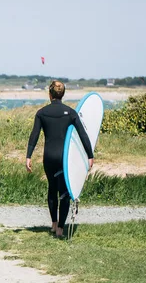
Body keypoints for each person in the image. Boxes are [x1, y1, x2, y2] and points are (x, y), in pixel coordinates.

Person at [26, 80, 94, 238]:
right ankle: (60, 229)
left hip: (49, 157)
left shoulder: (42, 113)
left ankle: (53, 224)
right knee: (64, 192)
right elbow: (83, 135)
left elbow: (34, 136)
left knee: (52, 188)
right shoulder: (70, 113)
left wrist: (28, 156)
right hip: (64, 158)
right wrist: (90, 155)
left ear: (50, 94)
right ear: (62, 94)